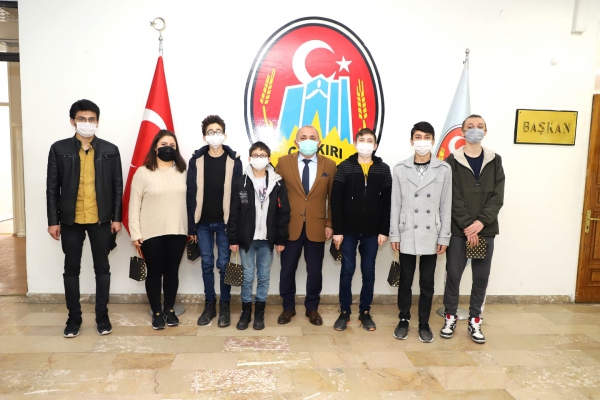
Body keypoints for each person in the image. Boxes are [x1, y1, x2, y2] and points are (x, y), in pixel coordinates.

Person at [46, 99, 123, 338]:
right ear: (73, 121)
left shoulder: (110, 150)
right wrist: (53, 221)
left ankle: (102, 317)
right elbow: (52, 188)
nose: (87, 123)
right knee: (71, 270)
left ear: (97, 122)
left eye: (91, 119)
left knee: (103, 269)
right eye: (82, 119)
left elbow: (117, 187)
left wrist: (116, 218)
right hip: (70, 221)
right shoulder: (59, 149)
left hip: (101, 220)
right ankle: (74, 318)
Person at [440, 114, 505, 344]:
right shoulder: (451, 161)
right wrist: (468, 225)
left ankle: (475, 320)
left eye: (479, 126)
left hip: (485, 229)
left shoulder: (495, 160)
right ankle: (450, 317)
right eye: (470, 126)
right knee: (453, 276)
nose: (474, 130)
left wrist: (480, 223)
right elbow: (451, 196)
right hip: (460, 231)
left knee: (481, 278)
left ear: (485, 131)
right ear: (462, 132)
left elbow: (498, 196)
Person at [389, 121, 452, 343]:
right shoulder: (400, 168)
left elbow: (446, 205)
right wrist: (394, 234)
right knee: (405, 281)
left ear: (433, 140)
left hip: (431, 233)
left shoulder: (444, 169)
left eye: (426, 137)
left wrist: (444, 236)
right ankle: (404, 319)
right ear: (411, 140)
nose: (422, 141)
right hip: (407, 231)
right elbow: (395, 204)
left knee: (427, 282)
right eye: (418, 137)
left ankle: (424, 323)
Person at [275, 125, 337, 326]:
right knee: (287, 269)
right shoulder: (283, 163)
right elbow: (277, 197)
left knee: (315, 271)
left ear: (319, 142)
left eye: (312, 137)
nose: (307, 140)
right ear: (296, 142)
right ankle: (288, 307)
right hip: (289, 226)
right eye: (303, 137)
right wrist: (277, 226)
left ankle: (312, 308)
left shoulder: (330, 165)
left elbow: (333, 198)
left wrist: (330, 223)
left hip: (318, 226)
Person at [331, 128, 392, 332]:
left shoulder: (383, 169)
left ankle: (365, 312)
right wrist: (338, 230)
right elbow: (336, 201)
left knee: (368, 272)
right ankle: (344, 312)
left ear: (375, 145)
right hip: (347, 231)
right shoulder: (344, 167)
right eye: (362, 140)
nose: (365, 144)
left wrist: (384, 230)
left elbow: (388, 202)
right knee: (347, 271)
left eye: (369, 140)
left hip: (372, 232)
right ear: (355, 144)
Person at [186, 115, 242, 328]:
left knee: (224, 265)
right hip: (202, 223)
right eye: (210, 132)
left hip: (225, 223)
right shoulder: (196, 160)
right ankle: (209, 304)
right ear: (204, 137)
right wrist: (191, 226)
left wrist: (235, 227)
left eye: (218, 131)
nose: (215, 135)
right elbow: (191, 193)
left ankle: (225, 305)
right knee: (207, 263)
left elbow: (238, 196)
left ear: (224, 134)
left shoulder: (234, 160)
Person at [228, 142, 290, 330]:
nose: (259, 158)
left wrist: (281, 239)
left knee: (263, 276)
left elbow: (283, 213)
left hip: (267, 240)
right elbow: (234, 212)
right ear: (249, 158)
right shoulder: (241, 182)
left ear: (269, 159)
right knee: (247, 276)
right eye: (255, 155)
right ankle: (246, 311)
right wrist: (233, 239)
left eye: (262, 155)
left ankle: (260, 311)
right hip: (246, 239)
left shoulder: (277, 183)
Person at [129, 130, 188, 330]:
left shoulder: (183, 171)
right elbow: (134, 205)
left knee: (172, 273)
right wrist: (135, 233)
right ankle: (156, 313)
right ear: (155, 147)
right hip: (151, 233)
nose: (168, 148)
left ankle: (169, 310)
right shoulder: (143, 172)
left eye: (172, 145)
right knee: (154, 273)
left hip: (178, 231)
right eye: (163, 144)